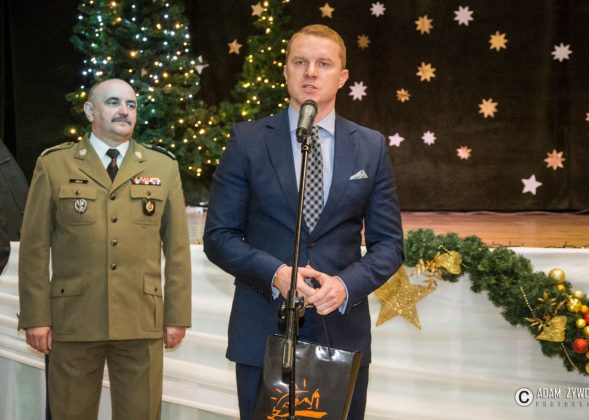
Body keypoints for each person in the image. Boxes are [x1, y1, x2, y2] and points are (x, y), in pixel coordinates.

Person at [203, 24, 403, 419]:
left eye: (323, 64)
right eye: (300, 62)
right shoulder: (248, 140)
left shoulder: (370, 146)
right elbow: (219, 236)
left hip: (339, 335)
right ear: (285, 71)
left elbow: (389, 245)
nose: (310, 72)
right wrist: (276, 273)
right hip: (264, 330)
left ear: (342, 77)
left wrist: (344, 286)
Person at [18, 78, 192, 420]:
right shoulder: (54, 165)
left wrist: (176, 316)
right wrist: (36, 317)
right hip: (74, 319)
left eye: (131, 104)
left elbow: (177, 250)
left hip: (141, 319)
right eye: (113, 102)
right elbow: (34, 247)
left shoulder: (162, 167)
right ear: (89, 111)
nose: (124, 111)